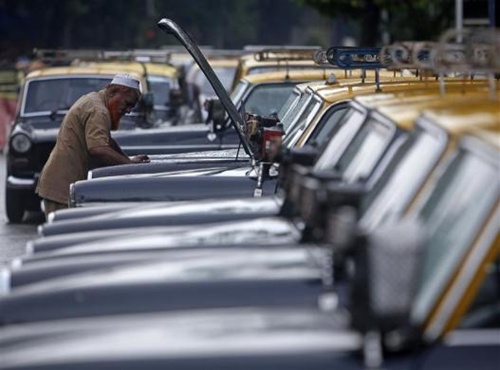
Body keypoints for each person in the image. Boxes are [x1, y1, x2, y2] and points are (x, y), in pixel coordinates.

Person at [36, 73, 150, 218]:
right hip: (64, 186)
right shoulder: (99, 111)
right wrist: (128, 165)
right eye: (128, 103)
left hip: (62, 182)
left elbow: (106, 141)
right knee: (66, 236)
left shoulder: (94, 100)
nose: (128, 110)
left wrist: (127, 161)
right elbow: (98, 148)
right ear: (115, 92)